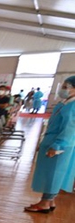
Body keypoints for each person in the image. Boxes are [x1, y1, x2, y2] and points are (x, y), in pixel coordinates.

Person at [24, 76, 75, 213]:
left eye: (66, 87)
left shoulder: (72, 107)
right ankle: (50, 200)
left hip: (60, 145)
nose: (63, 90)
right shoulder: (65, 103)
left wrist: (57, 146)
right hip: (53, 141)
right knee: (51, 172)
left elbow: (69, 129)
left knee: (54, 173)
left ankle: (45, 202)